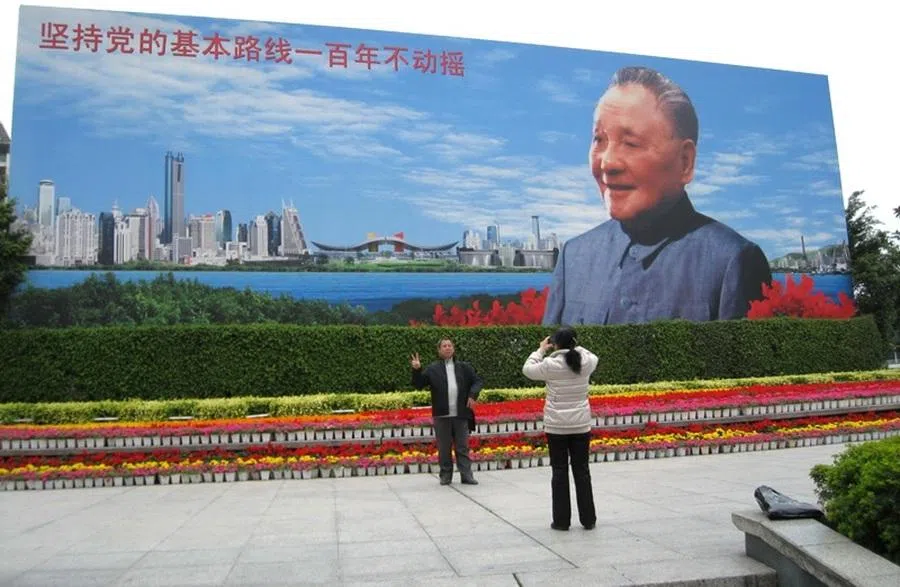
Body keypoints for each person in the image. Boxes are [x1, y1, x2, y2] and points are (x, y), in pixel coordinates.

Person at [542, 65, 772, 327]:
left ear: (684, 162)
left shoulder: (732, 260)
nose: (607, 163)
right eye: (599, 140)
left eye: (630, 143)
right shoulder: (575, 256)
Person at [522, 327, 599, 531]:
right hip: (581, 425)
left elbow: (528, 369)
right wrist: (576, 345)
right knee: (582, 471)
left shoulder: (549, 364)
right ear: (574, 342)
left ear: (554, 344)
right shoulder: (585, 362)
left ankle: (561, 521)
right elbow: (593, 356)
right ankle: (588, 519)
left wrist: (540, 350)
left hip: (556, 427)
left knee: (559, 472)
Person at [411, 338, 484, 485]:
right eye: (444, 346)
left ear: (454, 348)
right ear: (439, 350)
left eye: (450, 345)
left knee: (462, 447)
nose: (447, 348)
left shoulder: (464, 367)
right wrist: (417, 369)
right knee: (444, 448)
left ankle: (467, 475)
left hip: (461, 413)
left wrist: (473, 395)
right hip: (441, 414)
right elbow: (418, 384)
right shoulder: (433, 369)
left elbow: (478, 381)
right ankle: (445, 475)